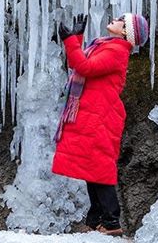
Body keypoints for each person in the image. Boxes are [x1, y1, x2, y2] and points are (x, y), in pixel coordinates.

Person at [52, 12, 149, 236]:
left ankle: (111, 222)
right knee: (91, 167)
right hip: (93, 114)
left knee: (99, 169)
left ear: (126, 32)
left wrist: (70, 40)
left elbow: (84, 67)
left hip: (101, 117)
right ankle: (96, 219)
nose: (115, 19)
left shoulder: (116, 51)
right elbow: (76, 64)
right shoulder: (106, 46)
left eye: (120, 20)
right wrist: (76, 38)